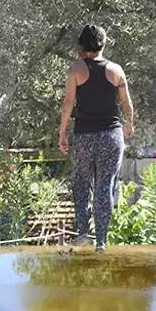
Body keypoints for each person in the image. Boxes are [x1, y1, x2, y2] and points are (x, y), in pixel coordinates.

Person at [58, 24, 134, 253]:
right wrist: (129, 123)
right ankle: (101, 241)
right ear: (104, 43)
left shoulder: (76, 70)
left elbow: (68, 105)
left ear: (81, 45)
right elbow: (126, 103)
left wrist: (62, 132)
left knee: (81, 183)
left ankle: (82, 232)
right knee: (105, 186)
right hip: (112, 136)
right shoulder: (116, 70)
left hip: (84, 136)